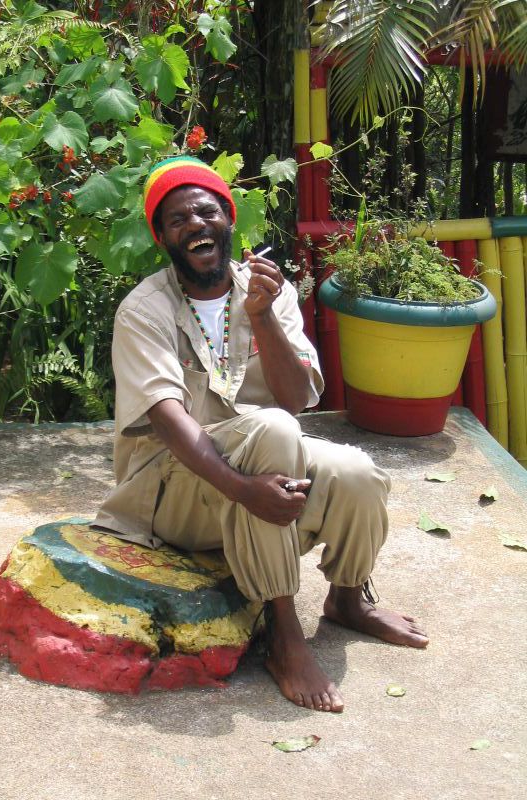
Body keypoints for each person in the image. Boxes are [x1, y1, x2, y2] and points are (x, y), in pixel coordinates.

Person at [95, 156, 428, 712]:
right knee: (273, 430)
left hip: (263, 460)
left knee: (358, 474)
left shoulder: (270, 291)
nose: (194, 226)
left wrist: (265, 316)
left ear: (228, 219)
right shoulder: (143, 310)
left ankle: (348, 599)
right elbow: (169, 422)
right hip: (173, 492)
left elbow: (298, 397)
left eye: (206, 212)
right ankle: (283, 631)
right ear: (162, 238)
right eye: (177, 221)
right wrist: (242, 488)